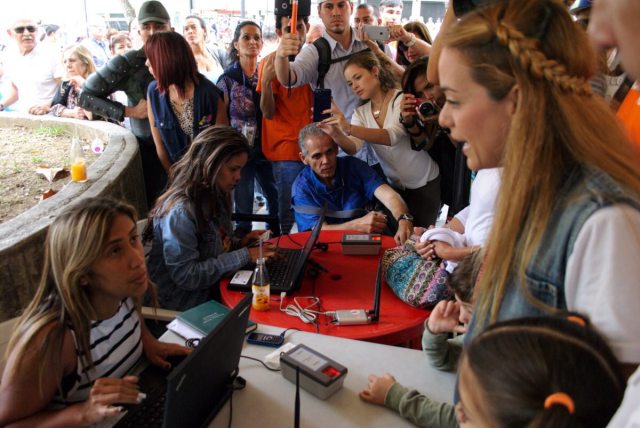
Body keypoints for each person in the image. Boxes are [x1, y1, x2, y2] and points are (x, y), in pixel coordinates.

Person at [437, 0, 640, 373]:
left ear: (516, 100)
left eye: (454, 99)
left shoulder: (602, 223)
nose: (443, 117)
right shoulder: (526, 189)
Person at [0, 197, 190, 426]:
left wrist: (148, 342)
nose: (137, 259)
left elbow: (132, 320)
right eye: (115, 251)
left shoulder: (122, 290)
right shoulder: (54, 338)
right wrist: (84, 412)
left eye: (133, 239)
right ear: (82, 273)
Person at [146, 126, 276, 312]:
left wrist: (240, 244)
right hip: (183, 308)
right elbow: (187, 276)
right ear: (211, 163)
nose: (238, 177)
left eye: (240, 169)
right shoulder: (181, 211)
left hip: (211, 294)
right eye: (233, 169)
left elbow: (211, 249)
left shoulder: (215, 193)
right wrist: (245, 255)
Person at [321, 51, 441, 227]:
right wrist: (335, 132)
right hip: (396, 186)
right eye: (350, 83)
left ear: (375, 71)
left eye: (358, 77)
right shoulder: (360, 112)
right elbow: (353, 147)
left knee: (421, 237)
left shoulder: (399, 98)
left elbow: (391, 136)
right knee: (403, 237)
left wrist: (348, 127)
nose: (354, 86)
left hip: (424, 181)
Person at [360, 253, 479, 427]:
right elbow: (444, 359)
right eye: (459, 304)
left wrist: (394, 396)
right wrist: (434, 332)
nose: (461, 316)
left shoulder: (510, 359)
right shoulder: (481, 337)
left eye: (469, 309)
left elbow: (461, 421)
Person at [79, 0, 172, 209]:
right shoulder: (128, 62)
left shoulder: (179, 57)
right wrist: (129, 111)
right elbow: (86, 97)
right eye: (146, 27)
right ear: (139, 31)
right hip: (147, 151)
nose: (153, 32)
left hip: (180, 148)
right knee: (155, 211)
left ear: (170, 28)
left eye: (159, 26)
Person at [275, 0, 382, 172]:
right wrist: (280, 56)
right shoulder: (315, 52)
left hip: (382, 146)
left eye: (341, 5)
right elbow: (288, 78)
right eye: (329, 7)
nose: (336, 12)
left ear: (351, 8)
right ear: (320, 11)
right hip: (343, 152)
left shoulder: (368, 40)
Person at [292, 123, 413, 244]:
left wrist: (404, 219)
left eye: (329, 152)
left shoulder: (354, 166)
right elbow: (317, 232)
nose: (326, 161)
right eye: (317, 156)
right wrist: (356, 225)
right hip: (329, 245)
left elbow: (390, 196)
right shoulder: (301, 188)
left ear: (336, 149)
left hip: (367, 240)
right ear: (304, 158)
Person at [217, 21, 279, 235]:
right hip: (239, 151)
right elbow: (221, 120)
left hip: (268, 147)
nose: (252, 42)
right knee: (243, 198)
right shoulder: (227, 80)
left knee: (274, 194)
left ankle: (276, 235)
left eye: (257, 38)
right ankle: (243, 243)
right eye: (246, 37)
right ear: (236, 44)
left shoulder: (268, 73)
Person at [257, 0, 313, 235]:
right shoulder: (268, 62)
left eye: (299, 27)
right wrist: (269, 82)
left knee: (314, 209)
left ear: (307, 28)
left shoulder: (315, 58)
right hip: (286, 152)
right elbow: (267, 112)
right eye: (289, 29)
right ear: (279, 32)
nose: (296, 34)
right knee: (289, 213)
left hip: (315, 149)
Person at [145, 31, 228, 173]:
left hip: (209, 176)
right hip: (176, 176)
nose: (147, 63)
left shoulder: (209, 94)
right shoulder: (153, 92)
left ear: (168, 61)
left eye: (152, 58)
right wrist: (174, 176)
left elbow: (222, 145)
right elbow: (160, 146)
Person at [1, 16, 61, 114]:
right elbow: (16, 89)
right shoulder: (9, 55)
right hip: (24, 117)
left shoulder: (52, 54)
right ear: (10, 33)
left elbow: (66, 88)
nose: (26, 33)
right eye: (20, 30)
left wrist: (48, 105)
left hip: (52, 118)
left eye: (31, 29)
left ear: (37, 31)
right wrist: (2, 105)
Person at [50, 44, 96, 119]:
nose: (68, 65)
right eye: (65, 62)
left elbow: (94, 114)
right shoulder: (66, 83)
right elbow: (54, 107)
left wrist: (83, 85)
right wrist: (72, 113)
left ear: (85, 62)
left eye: (72, 60)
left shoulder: (99, 83)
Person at [183, 15, 226, 83]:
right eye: (186, 29)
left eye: (194, 27)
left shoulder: (219, 53)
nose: (190, 31)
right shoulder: (183, 60)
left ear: (204, 31)